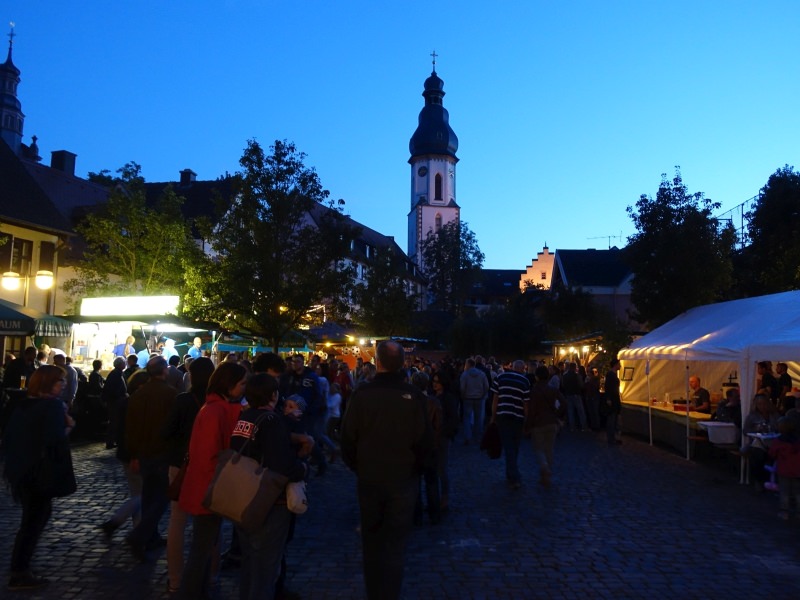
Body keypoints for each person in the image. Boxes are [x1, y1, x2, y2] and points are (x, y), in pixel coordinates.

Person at [340, 340, 433, 600]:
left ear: (377, 362)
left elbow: (347, 438)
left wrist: (358, 465)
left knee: (372, 541)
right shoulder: (413, 396)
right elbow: (425, 440)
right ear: (403, 363)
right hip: (403, 477)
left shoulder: (362, 394)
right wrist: (416, 467)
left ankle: (375, 593)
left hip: (370, 476)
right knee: (395, 543)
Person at [231, 373, 308, 600]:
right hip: (268, 501)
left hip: (242, 495)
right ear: (273, 395)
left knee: (250, 564)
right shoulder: (271, 421)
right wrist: (303, 468)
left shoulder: (244, 418)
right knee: (265, 567)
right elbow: (282, 465)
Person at [2, 365, 76, 591]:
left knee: (30, 520)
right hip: (38, 473)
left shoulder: (22, 404)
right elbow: (54, 440)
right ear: (47, 383)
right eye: (58, 381)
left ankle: (20, 568)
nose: (62, 385)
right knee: (33, 522)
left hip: (21, 471)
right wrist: (70, 427)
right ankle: (20, 571)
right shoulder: (52, 407)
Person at [177, 361, 247, 600]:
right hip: (208, 490)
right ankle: (189, 592)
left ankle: (198, 590)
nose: (244, 389)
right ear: (229, 385)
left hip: (209, 488)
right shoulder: (214, 411)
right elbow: (208, 455)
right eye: (241, 384)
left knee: (205, 547)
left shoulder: (217, 408)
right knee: (201, 549)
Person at [161, 356, 215, 594]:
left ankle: (175, 579)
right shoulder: (219, 402)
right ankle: (211, 575)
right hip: (210, 466)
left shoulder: (183, 400)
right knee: (211, 521)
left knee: (178, 521)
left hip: (181, 465)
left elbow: (166, 431)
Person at [124, 356, 179, 562]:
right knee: (162, 497)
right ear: (164, 371)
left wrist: (134, 454)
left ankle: (151, 536)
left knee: (149, 495)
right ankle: (140, 536)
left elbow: (131, 428)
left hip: (144, 452)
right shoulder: (171, 394)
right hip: (162, 452)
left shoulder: (138, 395)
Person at [489, 359, 531, 489]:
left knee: (508, 446)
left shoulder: (500, 378)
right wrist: (527, 420)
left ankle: (511, 473)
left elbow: (495, 399)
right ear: (523, 369)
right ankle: (514, 476)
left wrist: (493, 416)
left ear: (512, 367)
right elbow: (526, 404)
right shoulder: (525, 381)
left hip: (503, 415)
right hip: (518, 417)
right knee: (514, 446)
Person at [526, 365, 564, 487]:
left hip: (538, 423)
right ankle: (546, 474)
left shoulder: (534, 391)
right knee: (549, 449)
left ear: (536, 377)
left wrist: (528, 425)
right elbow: (564, 402)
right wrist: (557, 415)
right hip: (552, 422)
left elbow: (531, 410)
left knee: (538, 449)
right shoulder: (553, 389)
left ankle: (544, 468)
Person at [431, 370, 458, 512]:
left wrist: (444, 432)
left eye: (437, 382)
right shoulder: (433, 396)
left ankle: (444, 498)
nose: (435, 384)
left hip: (442, 437)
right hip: (433, 437)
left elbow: (453, 419)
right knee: (433, 470)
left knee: (442, 469)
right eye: (433, 381)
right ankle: (436, 498)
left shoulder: (448, 398)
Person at [742, 393, 780, 492]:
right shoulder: (752, 416)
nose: (762, 406)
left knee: (777, 455)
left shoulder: (775, 415)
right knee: (757, 455)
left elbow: (780, 428)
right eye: (759, 404)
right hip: (757, 442)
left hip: (773, 442)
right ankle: (759, 481)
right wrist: (756, 431)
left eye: (764, 403)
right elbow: (745, 431)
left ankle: (772, 481)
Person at [767, 415, 800, 520]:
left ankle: (784, 512)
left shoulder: (778, 441)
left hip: (784, 469)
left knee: (784, 491)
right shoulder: (797, 441)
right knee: (797, 492)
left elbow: (772, 453)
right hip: (797, 470)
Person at [459, 358, 489, 446]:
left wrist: (463, 395)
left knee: (467, 418)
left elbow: (462, 387)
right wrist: (483, 394)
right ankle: (478, 437)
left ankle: (467, 437)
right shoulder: (482, 374)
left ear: (468, 364)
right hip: (479, 398)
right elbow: (486, 386)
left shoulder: (465, 374)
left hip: (467, 398)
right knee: (478, 418)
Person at [561, 362, 587, 431]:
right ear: (575, 367)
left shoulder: (564, 376)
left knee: (570, 411)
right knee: (580, 411)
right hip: (576, 394)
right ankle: (583, 427)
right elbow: (581, 385)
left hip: (568, 394)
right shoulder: (577, 376)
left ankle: (572, 427)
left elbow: (563, 385)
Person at [604, 359, 622, 445]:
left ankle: (613, 437)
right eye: (619, 364)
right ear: (615, 365)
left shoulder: (613, 375)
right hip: (612, 401)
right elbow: (607, 387)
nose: (620, 365)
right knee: (611, 420)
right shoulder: (610, 375)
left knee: (614, 420)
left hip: (614, 400)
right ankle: (611, 438)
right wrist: (608, 399)